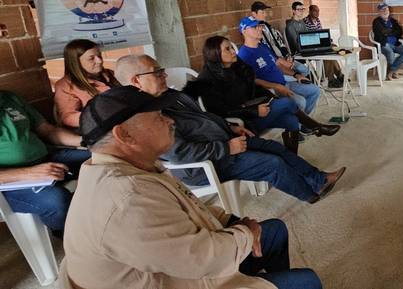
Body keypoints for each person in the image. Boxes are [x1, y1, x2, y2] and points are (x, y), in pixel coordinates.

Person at [61, 85, 323, 289]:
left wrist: (232, 222)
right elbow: (201, 260)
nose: (170, 121)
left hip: (180, 269)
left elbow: (186, 204)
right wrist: (244, 233)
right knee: (306, 281)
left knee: (274, 231)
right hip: (180, 278)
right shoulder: (125, 198)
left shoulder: (132, 166)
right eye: (158, 117)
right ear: (125, 135)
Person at [114, 54, 345, 203]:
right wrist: (226, 147)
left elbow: (204, 117)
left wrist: (230, 128)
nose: (164, 74)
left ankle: (318, 178)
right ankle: (310, 195)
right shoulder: (145, 117)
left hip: (223, 140)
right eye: (156, 72)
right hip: (206, 163)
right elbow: (180, 153)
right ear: (136, 81)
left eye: (161, 69)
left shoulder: (170, 96)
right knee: (272, 164)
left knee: (274, 147)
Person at [186, 35, 340, 152]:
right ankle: (316, 127)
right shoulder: (207, 80)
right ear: (215, 53)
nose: (233, 51)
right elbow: (219, 112)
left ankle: (293, 158)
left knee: (292, 121)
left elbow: (254, 88)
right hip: (241, 123)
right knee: (288, 102)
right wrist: (253, 111)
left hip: (254, 110)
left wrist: (270, 99)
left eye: (232, 47)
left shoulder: (236, 68)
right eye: (227, 49)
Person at [0, 91, 88, 235]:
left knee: (99, 158)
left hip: (46, 158)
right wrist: (30, 173)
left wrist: (87, 141)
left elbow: (48, 131)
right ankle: (69, 236)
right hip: (9, 182)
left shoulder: (10, 98)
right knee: (56, 201)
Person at [238, 17, 322, 115]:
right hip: (271, 90)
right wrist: (277, 86)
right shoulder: (244, 55)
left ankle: (303, 120)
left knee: (315, 90)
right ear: (244, 31)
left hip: (284, 83)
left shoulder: (263, 46)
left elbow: (277, 65)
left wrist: (296, 75)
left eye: (259, 26)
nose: (260, 28)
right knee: (300, 101)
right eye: (254, 27)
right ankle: (300, 120)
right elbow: (253, 80)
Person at [54, 39, 120, 129]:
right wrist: (100, 115)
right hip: (101, 127)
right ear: (76, 62)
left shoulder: (110, 73)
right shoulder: (65, 85)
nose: (99, 61)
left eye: (99, 55)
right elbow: (68, 117)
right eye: (91, 58)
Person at [286, 2, 344, 88]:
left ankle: (337, 76)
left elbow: (309, 35)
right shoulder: (290, 25)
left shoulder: (301, 22)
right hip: (300, 52)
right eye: (298, 9)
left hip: (308, 46)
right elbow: (296, 44)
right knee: (326, 53)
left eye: (302, 9)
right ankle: (331, 79)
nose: (301, 11)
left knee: (330, 48)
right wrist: (313, 45)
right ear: (293, 11)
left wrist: (318, 43)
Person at [250, 0, 310, 77]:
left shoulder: (268, 27)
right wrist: (281, 61)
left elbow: (280, 43)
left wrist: (287, 55)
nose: (265, 15)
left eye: (265, 12)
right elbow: (265, 52)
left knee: (304, 69)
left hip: (283, 57)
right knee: (298, 74)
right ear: (254, 14)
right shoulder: (254, 32)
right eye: (262, 12)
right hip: (274, 62)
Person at [371, 3, 403, 80]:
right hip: (383, 44)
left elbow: (399, 32)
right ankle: (393, 72)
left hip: (395, 44)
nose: (385, 11)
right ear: (379, 12)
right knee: (390, 52)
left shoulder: (393, 21)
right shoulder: (376, 21)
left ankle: (391, 70)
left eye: (387, 9)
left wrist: (388, 32)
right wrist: (393, 31)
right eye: (383, 9)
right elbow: (382, 32)